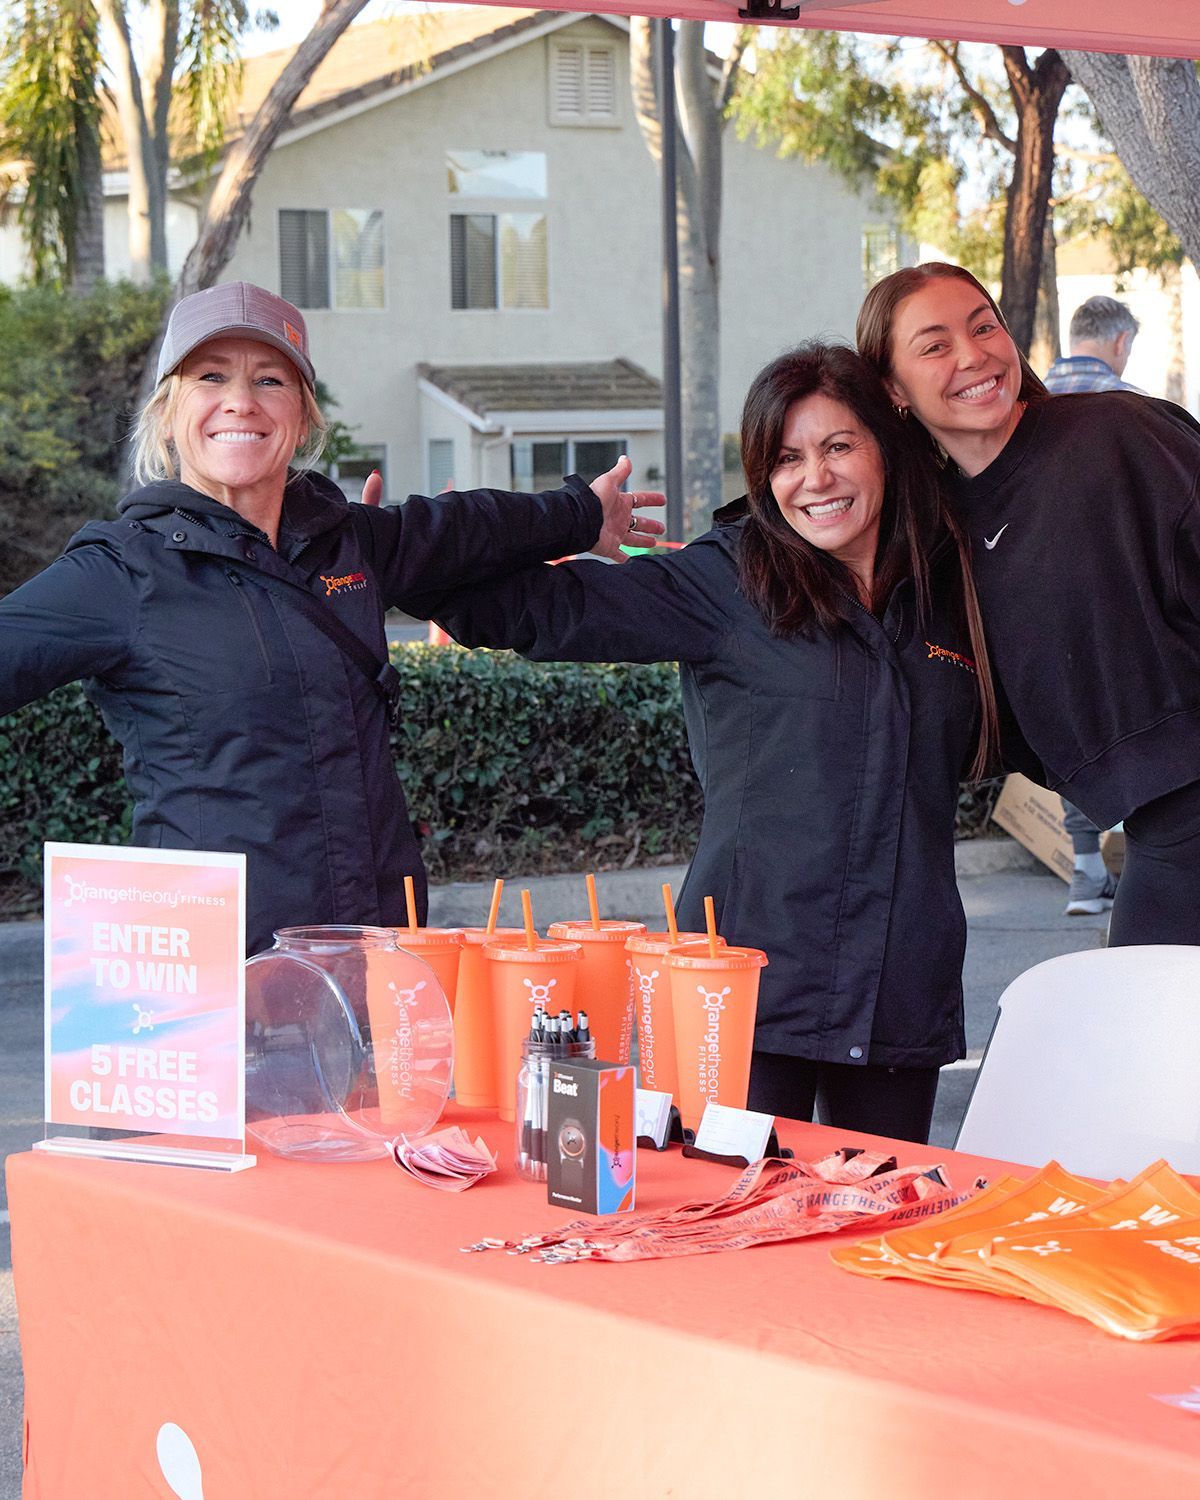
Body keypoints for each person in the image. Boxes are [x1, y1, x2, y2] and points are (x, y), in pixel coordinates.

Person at [435, 343, 997, 1145]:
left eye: (838, 446)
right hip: (739, 992)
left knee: (877, 1233)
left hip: (899, 988)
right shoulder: (728, 582)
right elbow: (538, 611)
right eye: (788, 458)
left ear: (886, 447)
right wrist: (450, 544)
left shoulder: (954, 594)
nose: (816, 477)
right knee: (728, 1228)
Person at [0, 281, 662, 955]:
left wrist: (582, 513)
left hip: (377, 957)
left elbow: (467, 528)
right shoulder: (120, 572)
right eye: (210, 376)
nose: (240, 400)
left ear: (305, 416)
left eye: (269, 380)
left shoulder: (348, 544)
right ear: (169, 414)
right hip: (219, 989)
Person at [857, 262, 1200, 947]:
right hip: (1158, 836)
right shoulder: (935, 532)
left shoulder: (1116, 433)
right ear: (893, 389)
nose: (974, 354)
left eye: (984, 327)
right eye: (935, 344)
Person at [1043, 295, 1141, 915]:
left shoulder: (1022, 406)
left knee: (1068, 737)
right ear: (1120, 342)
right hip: (1117, 600)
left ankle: (1085, 873)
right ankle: (1137, 878)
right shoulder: (1132, 409)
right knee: (1134, 733)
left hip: (1038, 603)